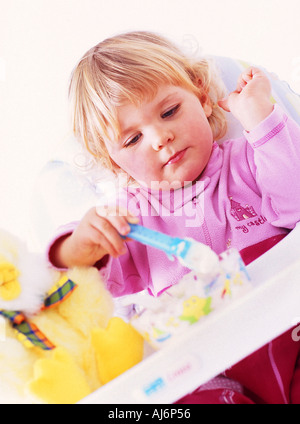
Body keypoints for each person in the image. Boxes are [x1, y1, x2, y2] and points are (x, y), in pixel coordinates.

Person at [48, 31, 300, 403]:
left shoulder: (251, 159)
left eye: (169, 112)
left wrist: (261, 119)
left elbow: (295, 199)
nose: (159, 137)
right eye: (132, 139)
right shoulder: (129, 220)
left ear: (202, 95)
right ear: (110, 159)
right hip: (210, 377)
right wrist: (77, 248)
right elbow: (82, 296)